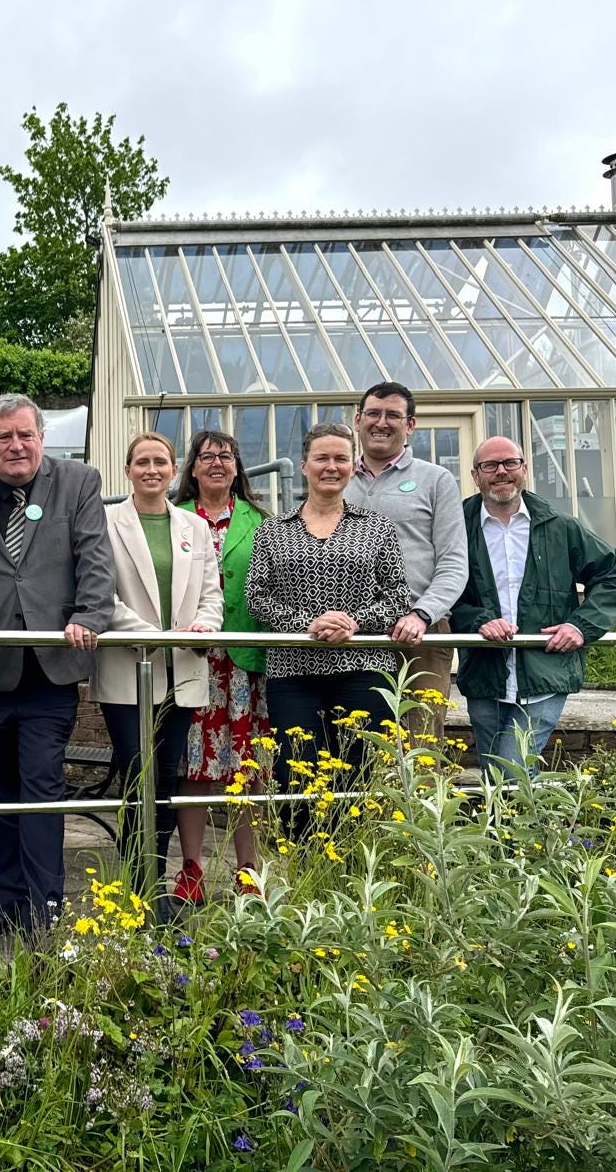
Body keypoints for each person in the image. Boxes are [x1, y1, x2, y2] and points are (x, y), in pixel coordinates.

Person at [0, 392, 115, 939]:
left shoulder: (78, 483)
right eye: (4, 437)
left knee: (40, 792)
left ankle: (43, 906)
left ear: (41, 438)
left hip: (48, 674)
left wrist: (90, 616)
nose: (16, 445)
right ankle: (7, 898)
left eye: (25, 435)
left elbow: (95, 562)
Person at [246, 424, 410, 834]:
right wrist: (310, 625)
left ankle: (351, 872)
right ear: (304, 466)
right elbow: (257, 596)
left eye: (340, 459)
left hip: (362, 668)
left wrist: (354, 623)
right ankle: (304, 870)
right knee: (295, 775)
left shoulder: (378, 528)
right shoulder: (273, 530)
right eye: (322, 458)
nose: (331, 467)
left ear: (352, 467)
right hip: (293, 671)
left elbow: (397, 597)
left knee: (357, 775)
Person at [91, 432, 222, 901]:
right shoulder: (105, 522)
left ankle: (159, 880)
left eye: (161, 461)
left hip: (183, 671)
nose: (152, 469)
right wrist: (149, 633)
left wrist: (205, 626)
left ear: (173, 470)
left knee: (167, 777)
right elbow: (98, 595)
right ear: (127, 470)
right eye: (142, 462)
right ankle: (135, 885)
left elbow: (211, 594)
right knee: (136, 775)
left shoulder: (195, 527)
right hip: (129, 670)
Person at [451, 437, 616, 778]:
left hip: (546, 670)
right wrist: (479, 621)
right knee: (493, 773)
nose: (501, 472)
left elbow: (609, 577)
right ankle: (523, 831)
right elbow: (442, 591)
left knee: (513, 772)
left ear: (525, 469)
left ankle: (517, 829)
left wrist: (580, 626)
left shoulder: (561, 527)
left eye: (510, 463)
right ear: (476, 475)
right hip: (485, 672)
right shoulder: (456, 528)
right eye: (490, 466)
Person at [169, 430, 270, 901]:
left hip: (244, 666)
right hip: (192, 662)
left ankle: (248, 868)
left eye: (225, 456)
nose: (215, 463)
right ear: (191, 468)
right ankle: (191, 868)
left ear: (237, 467)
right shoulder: (174, 517)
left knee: (245, 767)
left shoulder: (263, 521)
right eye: (206, 456)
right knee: (194, 766)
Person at [343, 382, 468, 737]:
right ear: (358, 420)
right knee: (355, 747)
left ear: (410, 425)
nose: (381, 423)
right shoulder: (336, 479)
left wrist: (423, 614)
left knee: (419, 745)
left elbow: (454, 560)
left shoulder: (435, 480)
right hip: (351, 637)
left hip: (417, 637)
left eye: (393, 415)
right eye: (373, 413)